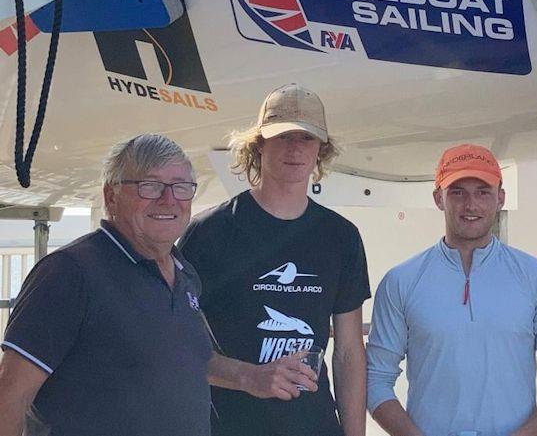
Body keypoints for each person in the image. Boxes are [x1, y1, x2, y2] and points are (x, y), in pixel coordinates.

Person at [179, 83, 371, 436]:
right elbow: (175, 345)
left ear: (321, 150)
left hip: (315, 426)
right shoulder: (209, 232)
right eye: (283, 137)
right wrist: (249, 378)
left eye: (306, 138)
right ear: (259, 145)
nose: (295, 149)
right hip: (228, 426)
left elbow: (347, 352)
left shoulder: (341, 236)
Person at [0, 133, 212, 436]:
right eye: (149, 186)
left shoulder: (184, 272)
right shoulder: (70, 273)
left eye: (181, 187)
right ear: (111, 196)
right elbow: (10, 395)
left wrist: (250, 377)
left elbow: (187, 361)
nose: (169, 200)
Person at [366, 143, 537, 436]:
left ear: (500, 198)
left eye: (483, 192)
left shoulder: (536, 278)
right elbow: (376, 379)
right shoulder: (401, 281)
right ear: (438, 198)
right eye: (457, 192)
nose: (471, 205)